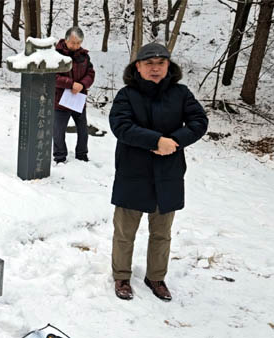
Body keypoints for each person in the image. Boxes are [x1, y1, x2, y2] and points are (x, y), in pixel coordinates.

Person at [109, 43, 208, 301]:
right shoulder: (126, 95)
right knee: (125, 231)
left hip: (168, 173)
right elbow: (121, 126)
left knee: (162, 232)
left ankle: (156, 276)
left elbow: (199, 121)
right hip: (133, 171)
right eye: (149, 63)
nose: (155, 68)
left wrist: (174, 141)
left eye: (160, 63)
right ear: (137, 67)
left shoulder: (181, 93)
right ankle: (121, 275)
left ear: (168, 66)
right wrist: (155, 141)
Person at [53, 26, 95, 164]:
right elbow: (53, 77)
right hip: (60, 100)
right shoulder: (56, 55)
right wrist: (70, 84)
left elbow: (91, 74)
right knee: (59, 132)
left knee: (83, 130)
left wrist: (82, 84)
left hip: (78, 98)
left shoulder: (84, 56)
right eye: (73, 43)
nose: (76, 46)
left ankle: (82, 155)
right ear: (66, 40)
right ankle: (60, 157)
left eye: (78, 43)